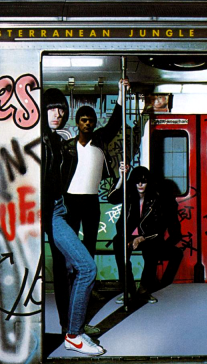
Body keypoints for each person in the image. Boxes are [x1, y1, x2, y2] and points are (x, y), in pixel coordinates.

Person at [42, 88, 105, 356]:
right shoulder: (39, 142)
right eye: (51, 108)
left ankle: (71, 327)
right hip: (49, 212)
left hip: (59, 208)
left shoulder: (56, 141)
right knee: (87, 267)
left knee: (72, 267)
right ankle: (73, 335)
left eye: (62, 109)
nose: (58, 114)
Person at [62, 79, 130, 260]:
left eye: (91, 121)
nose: (87, 124)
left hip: (91, 200)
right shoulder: (67, 147)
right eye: (84, 120)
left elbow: (115, 122)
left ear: (95, 123)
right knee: (70, 242)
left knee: (90, 242)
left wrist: (121, 93)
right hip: (70, 200)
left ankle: (88, 277)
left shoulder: (100, 139)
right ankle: (72, 276)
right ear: (78, 123)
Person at [108, 165, 183, 304]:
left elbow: (159, 227)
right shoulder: (128, 195)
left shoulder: (156, 199)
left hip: (148, 236)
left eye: (144, 181)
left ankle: (144, 289)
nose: (140, 185)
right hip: (127, 236)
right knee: (118, 244)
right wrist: (122, 177)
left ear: (149, 182)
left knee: (152, 250)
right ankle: (128, 290)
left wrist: (142, 238)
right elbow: (111, 198)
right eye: (137, 181)